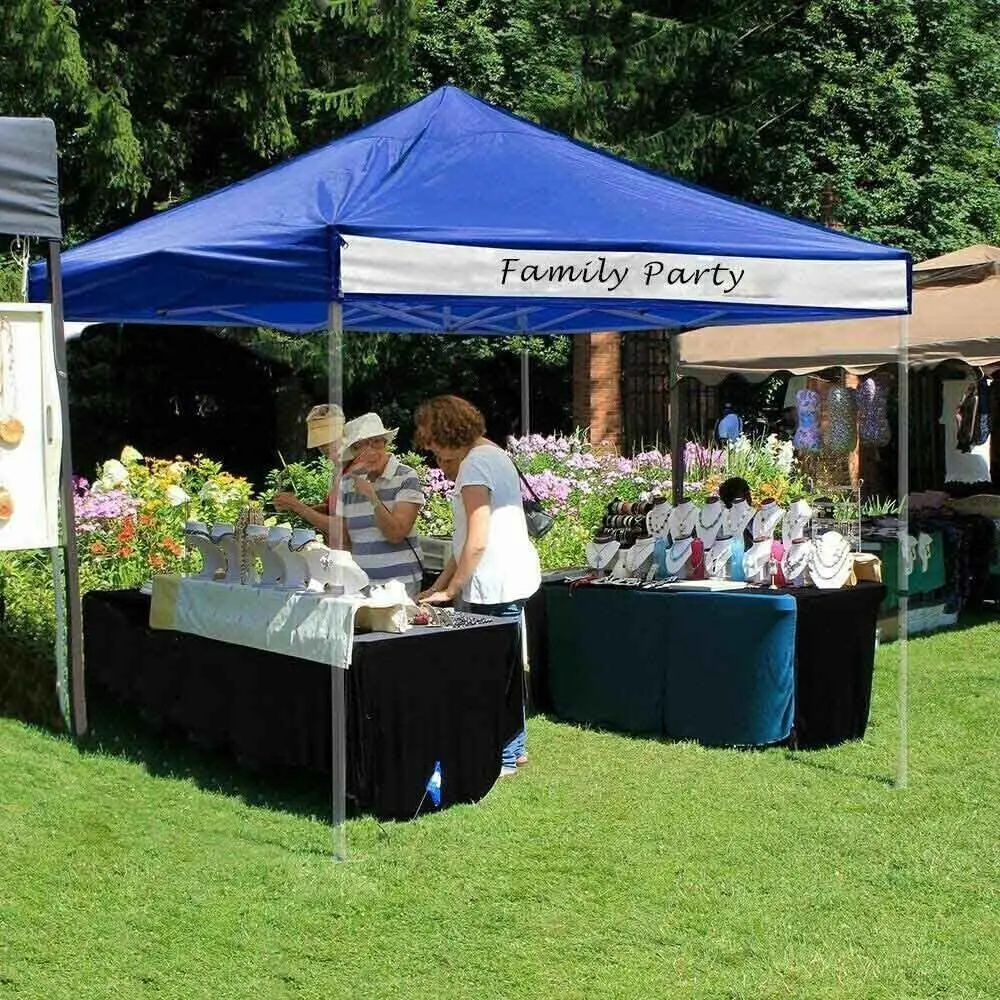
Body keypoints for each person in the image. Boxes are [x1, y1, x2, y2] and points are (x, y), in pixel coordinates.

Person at [414, 395, 541, 776]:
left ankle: (501, 758)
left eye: (430, 439)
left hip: (493, 585)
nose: (428, 447)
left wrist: (451, 591)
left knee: (492, 675)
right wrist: (439, 584)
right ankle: (514, 750)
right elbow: (465, 538)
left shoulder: (474, 466)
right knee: (506, 670)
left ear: (445, 431)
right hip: (508, 579)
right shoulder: (493, 454)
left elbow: (477, 538)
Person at [276, 411, 425, 596]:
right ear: (353, 452)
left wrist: (372, 497)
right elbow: (342, 537)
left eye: (376, 442)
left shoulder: (406, 476)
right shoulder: (347, 481)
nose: (369, 451)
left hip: (400, 585)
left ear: (385, 443)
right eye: (359, 446)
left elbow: (395, 534)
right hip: (359, 583)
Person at [272, 403, 347, 542]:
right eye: (320, 446)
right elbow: (331, 509)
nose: (324, 450)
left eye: (328, 443)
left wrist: (299, 507)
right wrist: (296, 508)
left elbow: (344, 529)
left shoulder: (357, 470)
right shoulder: (337, 469)